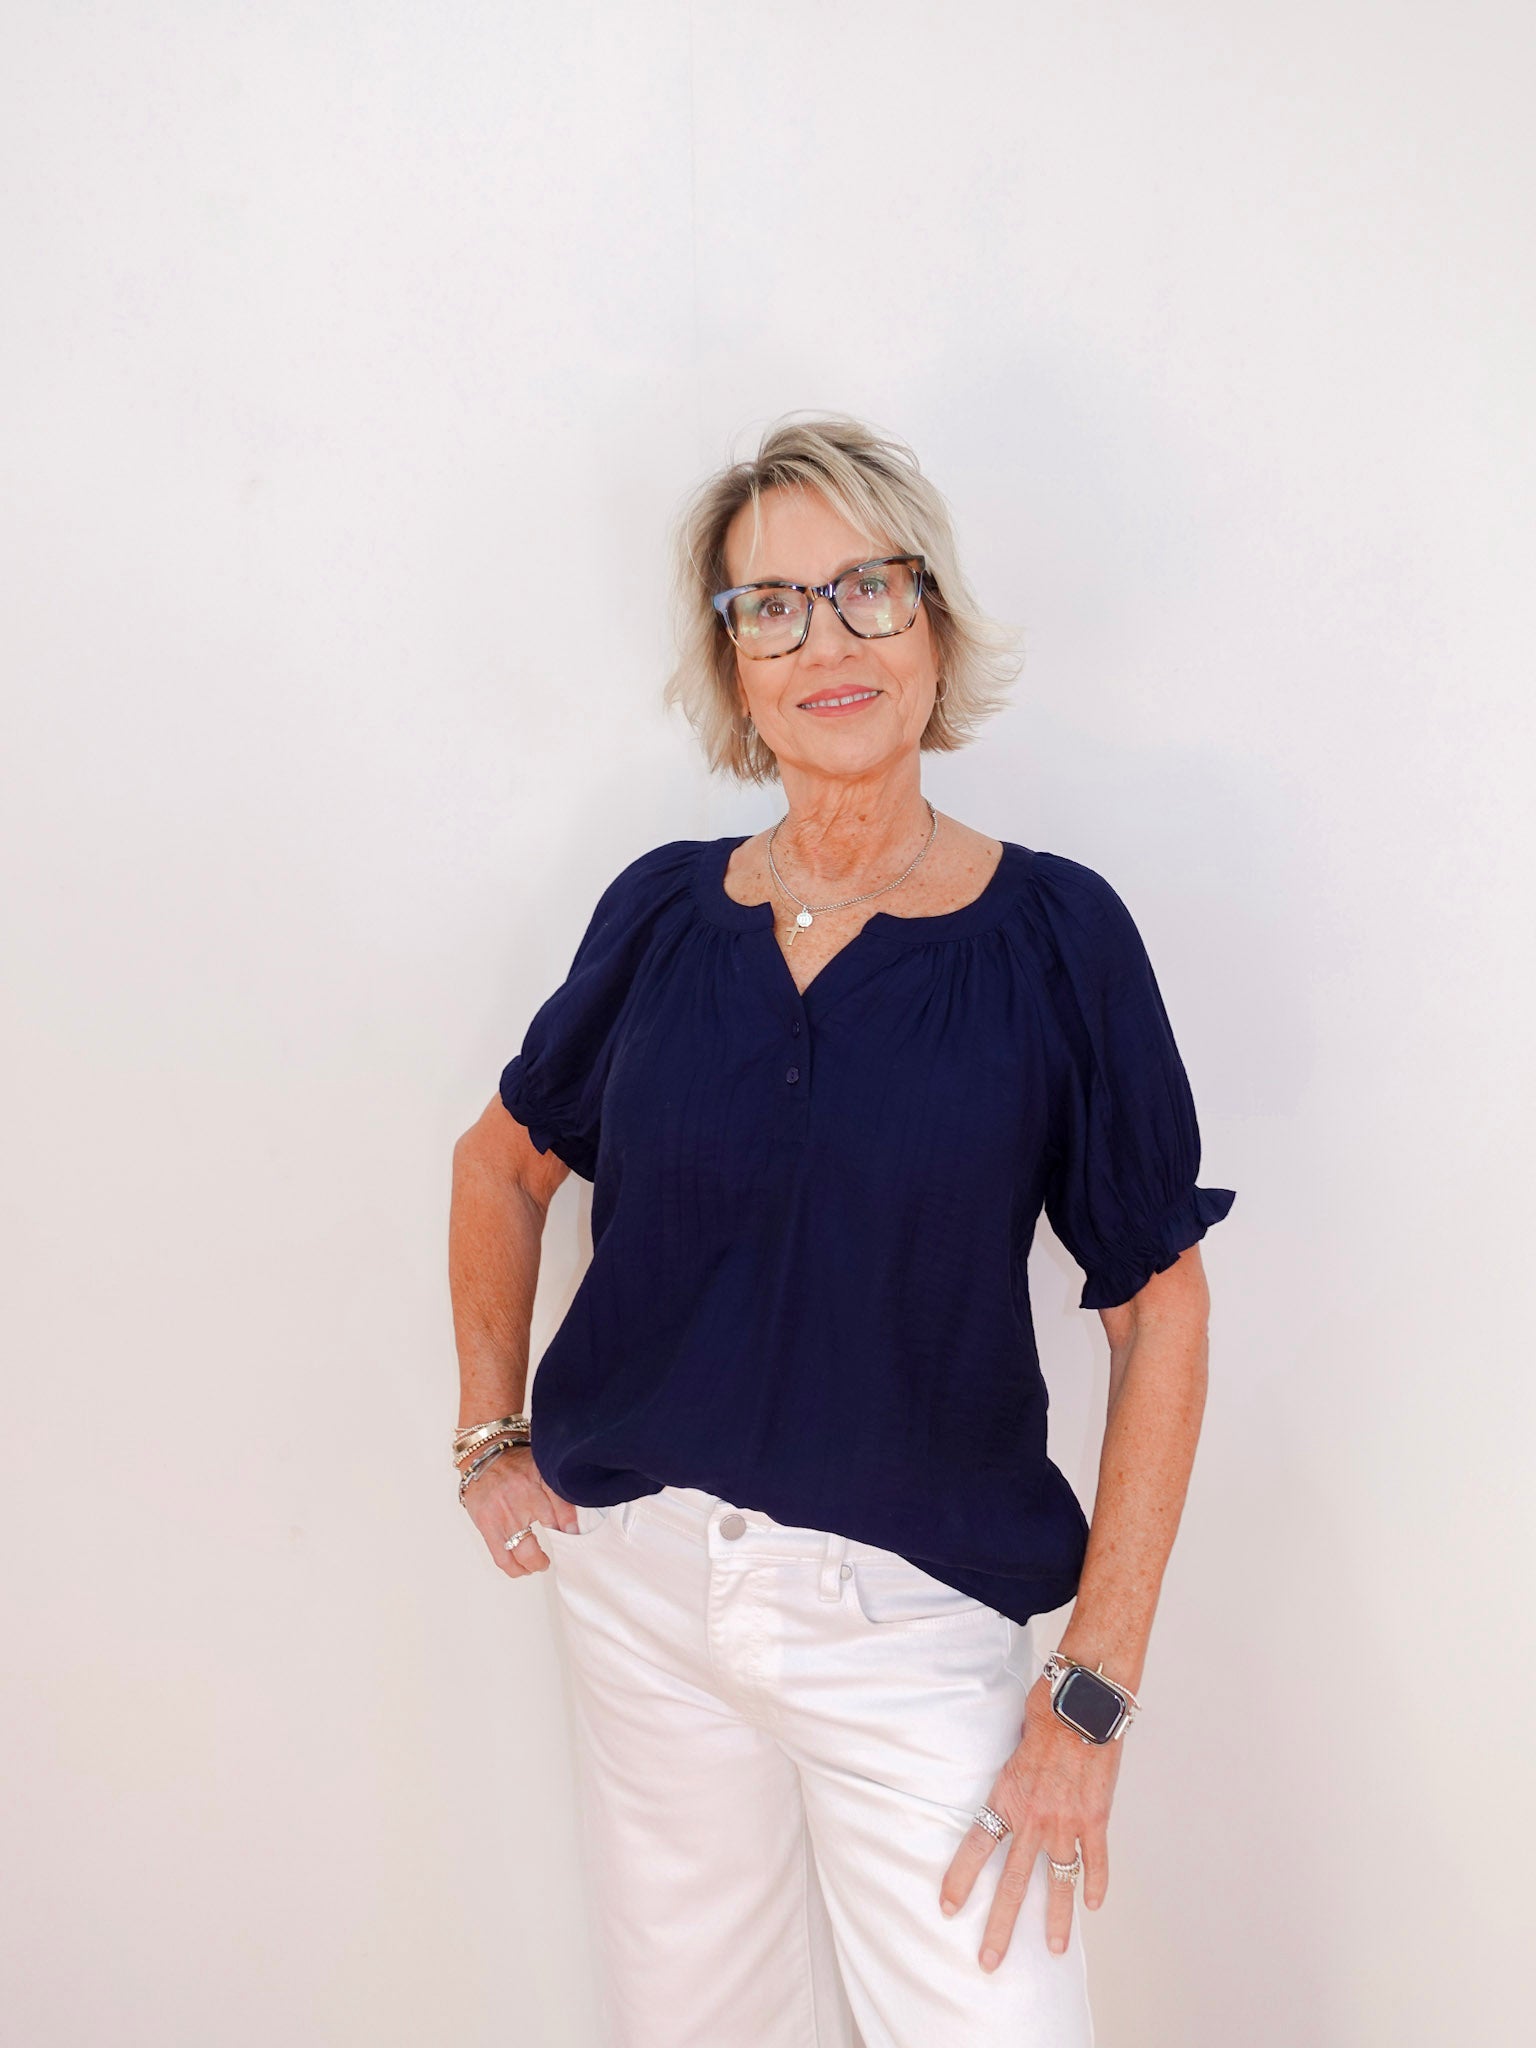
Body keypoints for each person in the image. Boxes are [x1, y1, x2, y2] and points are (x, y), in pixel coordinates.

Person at [448, 412, 1235, 2048]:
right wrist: (488, 1429)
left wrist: (1091, 1688)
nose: (828, 641)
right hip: (642, 1590)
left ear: (933, 625)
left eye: (869, 590)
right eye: (773, 607)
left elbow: (1160, 1307)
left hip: (913, 1626)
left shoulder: (1055, 939)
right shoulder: (661, 915)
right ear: (734, 668)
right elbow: (500, 1166)